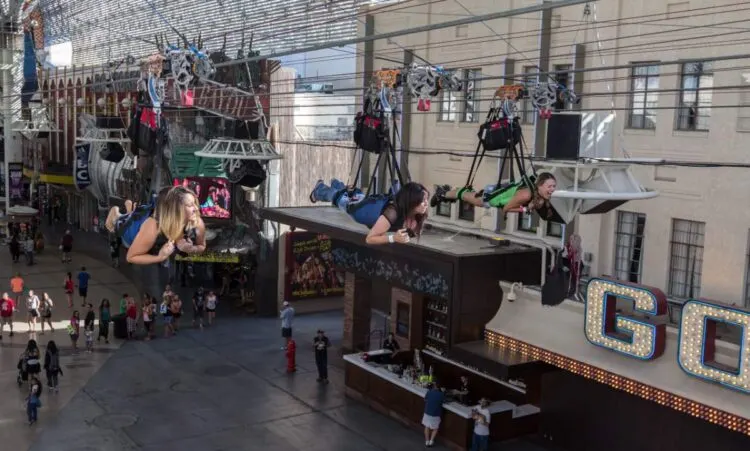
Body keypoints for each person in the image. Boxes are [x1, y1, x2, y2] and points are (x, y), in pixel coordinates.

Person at [104, 186, 206, 265]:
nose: (196, 209)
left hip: (150, 222)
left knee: (133, 215)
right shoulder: (153, 226)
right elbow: (131, 257)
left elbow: (202, 246)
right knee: (119, 225)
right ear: (175, 210)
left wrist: (192, 249)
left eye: (195, 204)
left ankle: (130, 209)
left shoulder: (197, 223)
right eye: (190, 205)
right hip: (132, 232)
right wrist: (160, 257)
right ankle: (117, 213)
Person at [310, 179, 430, 245]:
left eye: (426, 199)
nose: (426, 203)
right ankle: (319, 190)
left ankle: (337, 184)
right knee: (339, 199)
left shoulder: (418, 214)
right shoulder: (393, 213)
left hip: (373, 205)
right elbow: (370, 238)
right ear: (412, 201)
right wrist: (393, 238)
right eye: (422, 200)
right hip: (363, 211)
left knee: (355, 196)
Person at [431, 172, 557, 219]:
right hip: (493, 198)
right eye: (549, 186)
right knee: (466, 197)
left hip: (498, 194)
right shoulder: (526, 195)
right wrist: (525, 209)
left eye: (553, 186)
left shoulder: (535, 192)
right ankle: (443, 193)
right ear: (540, 185)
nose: (552, 189)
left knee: (469, 196)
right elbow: (506, 208)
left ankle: (447, 193)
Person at [422, 382, 445, 447]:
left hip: (427, 412)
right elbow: (444, 401)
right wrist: (443, 392)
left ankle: (427, 441)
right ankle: (431, 441)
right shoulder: (441, 394)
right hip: (436, 414)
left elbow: (425, 399)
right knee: (435, 428)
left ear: (434, 386)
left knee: (427, 427)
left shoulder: (429, 392)